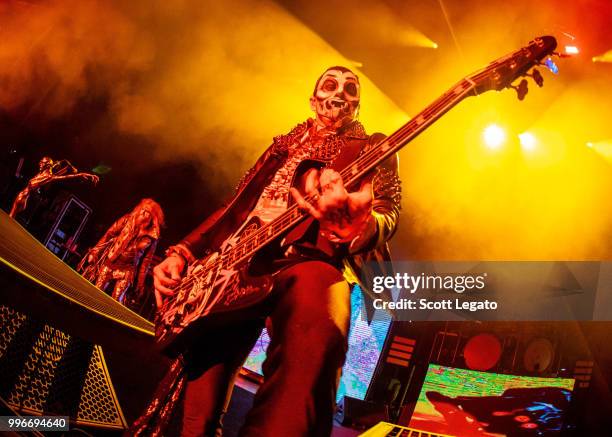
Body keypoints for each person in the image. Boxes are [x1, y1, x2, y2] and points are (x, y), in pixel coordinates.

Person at [147, 66, 401, 437]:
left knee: (316, 345)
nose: (341, 93)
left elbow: (388, 210)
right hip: (232, 268)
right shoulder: (281, 146)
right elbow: (234, 207)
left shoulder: (371, 146)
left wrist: (360, 227)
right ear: (313, 99)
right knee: (197, 415)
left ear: (357, 104)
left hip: (308, 256)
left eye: (351, 89)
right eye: (331, 85)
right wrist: (182, 251)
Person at [79, 198, 164, 306]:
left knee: (116, 302)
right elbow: (108, 234)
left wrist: (140, 283)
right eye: (143, 210)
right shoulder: (127, 220)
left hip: (127, 271)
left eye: (148, 212)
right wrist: (95, 251)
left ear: (153, 218)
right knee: (95, 293)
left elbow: (146, 261)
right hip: (111, 262)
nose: (143, 214)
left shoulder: (152, 237)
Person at [9, 156, 99, 218]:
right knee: (12, 217)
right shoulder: (45, 174)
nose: (40, 163)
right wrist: (67, 166)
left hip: (22, 197)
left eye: (42, 162)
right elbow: (61, 169)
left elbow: (66, 176)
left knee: (11, 216)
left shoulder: (48, 176)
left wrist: (81, 174)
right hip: (24, 198)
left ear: (47, 164)